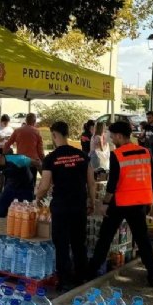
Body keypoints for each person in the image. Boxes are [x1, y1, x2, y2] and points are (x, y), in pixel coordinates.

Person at [88, 120, 153, 287]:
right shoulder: (145, 152)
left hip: (120, 203)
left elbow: (112, 183)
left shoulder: (117, 155)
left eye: (113, 137)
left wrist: (105, 203)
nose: (112, 140)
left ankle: (91, 272)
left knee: (105, 238)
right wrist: (149, 199)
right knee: (143, 240)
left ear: (120, 136)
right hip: (140, 203)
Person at [36, 121, 93, 292]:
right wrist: (92, 201)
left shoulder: (51, 158)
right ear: (67, 133)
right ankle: (81, 277)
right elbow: (91, 182)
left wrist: (37, 198)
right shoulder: (82, 155)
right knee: (78, 242)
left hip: (61, 206)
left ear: (54, 135)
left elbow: (45, 185)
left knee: (61, 244)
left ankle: (65, 281)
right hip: (79, 205)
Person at [0, 149, 38, 217]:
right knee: (1, 204)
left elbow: (38, 163)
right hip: (10, 187)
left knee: (25, 213)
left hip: (25, 188)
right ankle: (0, 224)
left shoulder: (18, 159)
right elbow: (0, 177)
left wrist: (46, 182)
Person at [3, 113, 44, 187]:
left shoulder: (17, 131)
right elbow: (40, 149)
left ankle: (21, 198)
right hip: (33, 161)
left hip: (21, 160)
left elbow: (7, 144)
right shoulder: (37, 132)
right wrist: (43, 159)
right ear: (34, 121)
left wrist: (5, 155)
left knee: (21, 182)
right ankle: (30, 197)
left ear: (26, 120)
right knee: (31, 182)